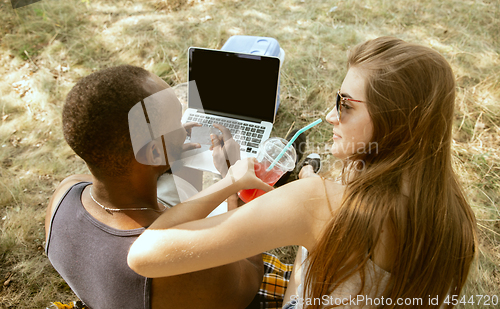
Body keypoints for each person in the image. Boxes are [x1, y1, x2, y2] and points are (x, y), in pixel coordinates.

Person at [128, 37, 478, 308]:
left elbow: (144, 256)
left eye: (345, 105)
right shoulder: (457, 216)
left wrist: (232, 181)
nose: (330, 116)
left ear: (395, 123)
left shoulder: (317, 204)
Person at [45, 65, 269, 309]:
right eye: (176, 120)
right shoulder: (182, 259)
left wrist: (165, 151)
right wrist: (236, 185)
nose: (185, 128)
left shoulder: (64, 194)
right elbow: (252, 274)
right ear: (152, 152)